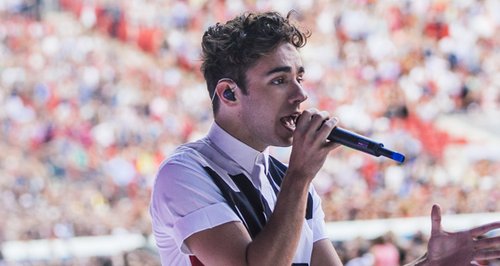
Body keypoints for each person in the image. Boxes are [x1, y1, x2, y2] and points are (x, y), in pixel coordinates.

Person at [150, 11, 500, 266]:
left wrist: (429, 265)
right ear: (228, 94)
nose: (301, 94)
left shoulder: (284, 180)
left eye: (300, 77)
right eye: (279, 80)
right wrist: (299, 175)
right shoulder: (184, 174)